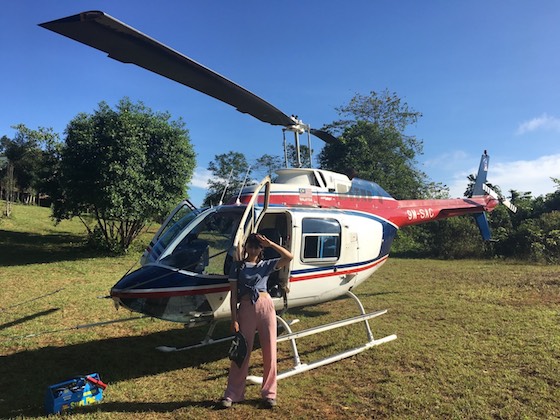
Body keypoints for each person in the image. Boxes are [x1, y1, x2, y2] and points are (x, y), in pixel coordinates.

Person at [221, 232, 293, 409]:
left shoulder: (266, 265)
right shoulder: (237, 267)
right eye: (251, 246)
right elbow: (233, 295)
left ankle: (269, 393)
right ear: (245, 247)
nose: (253, 249)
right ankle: (233, 394)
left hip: (266, 306)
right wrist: (234, 319)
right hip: (246, 307)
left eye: (256, 247)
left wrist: (270, 243)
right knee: (242, 351)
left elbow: (288, 257)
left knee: (270, 350)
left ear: (261, 249)